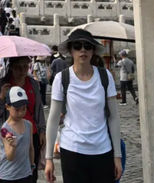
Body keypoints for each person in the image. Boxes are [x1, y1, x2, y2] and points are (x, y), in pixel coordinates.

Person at [44, 29, 122, 183]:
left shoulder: (105, 76)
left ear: (93, 51)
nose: (83, 50)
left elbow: (113, 117)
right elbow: (53, 120)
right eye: (77, 46)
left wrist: (117, 156)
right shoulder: (62, 78)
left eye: (87, 46)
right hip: (72, 149)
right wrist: (48, 158)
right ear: (71, 50)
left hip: (102, 149)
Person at [0, 56, 45, 183]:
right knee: (11, 167)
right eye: (18, 67)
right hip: (10, 134)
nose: (22, 71)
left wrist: (42, 130)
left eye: (25, 67)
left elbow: (39, 108)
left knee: (31, 174)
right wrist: (1, 97)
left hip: (30, 132)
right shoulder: (1, 84)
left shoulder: (32, 83)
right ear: (11, 68)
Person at [0, 86, 35, 183]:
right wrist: (13, 146)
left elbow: (31, 148)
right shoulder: (5, 129)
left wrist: (32, 166)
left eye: (24, 109)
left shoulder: (28, 125)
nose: (21, 113)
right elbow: (9, 157)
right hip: (9, 176)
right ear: (7, 107)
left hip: (25, 174)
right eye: (17, 109)